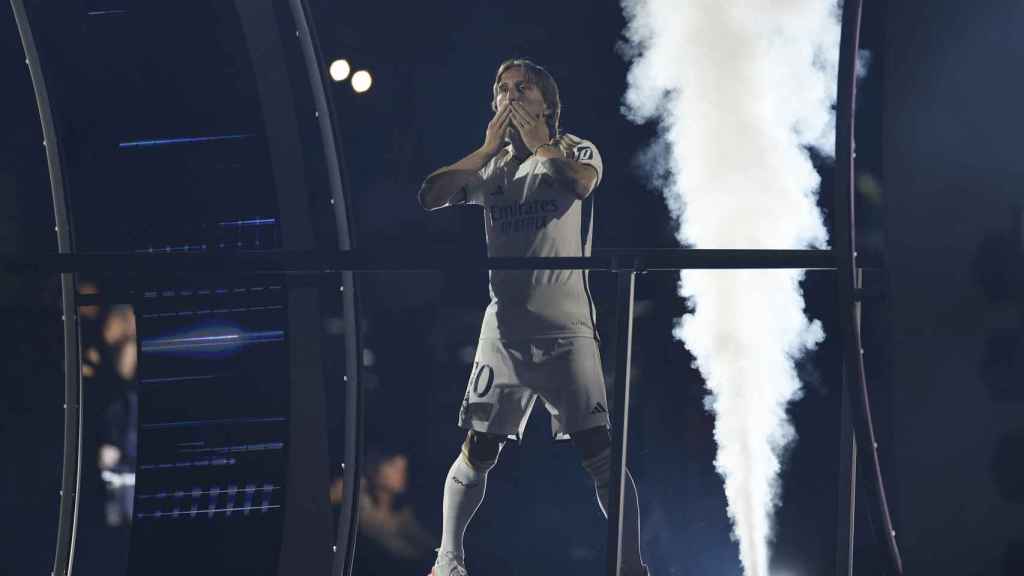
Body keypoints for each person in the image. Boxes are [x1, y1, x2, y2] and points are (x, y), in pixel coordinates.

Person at [418, 58, 649, 576]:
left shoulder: (573, 149)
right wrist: (483, 148)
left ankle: (632, 566)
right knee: (479, 448)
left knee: (600, 452)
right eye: (501, 89)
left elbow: (582, 183)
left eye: (523, 88)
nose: (511, 95)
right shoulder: (493, 167)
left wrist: (543, 144)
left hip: (567, 331)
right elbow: (430, 196)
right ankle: (448, 561)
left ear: (547, 101)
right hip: (504, 331)